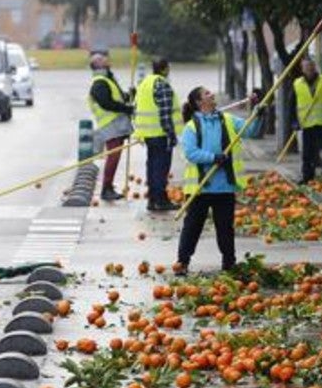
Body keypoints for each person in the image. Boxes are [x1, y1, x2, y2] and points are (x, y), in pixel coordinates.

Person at [176, 87, 260, 274]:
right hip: (200, 187)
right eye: (207, 94)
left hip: (224, 186)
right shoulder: (192, 126)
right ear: (199, 102)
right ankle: (182, 262)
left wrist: (258, 112)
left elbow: (251, 130)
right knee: (192, 228)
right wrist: (213, 157)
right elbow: (191, 153)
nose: (212, 95)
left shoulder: (228, 120)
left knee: (225, 229)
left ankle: (229, 263)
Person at [134, 58, 182, 212]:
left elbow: (136, 108)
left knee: (152, 166)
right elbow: (165, 113)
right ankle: (161, 200)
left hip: (147, 134)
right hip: (161, 134)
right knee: (161, 168)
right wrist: (171, 134)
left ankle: (153, 199)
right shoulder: (162, 84)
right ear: (165, 69)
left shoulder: (144, 83)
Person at [87, 51, 134, 201]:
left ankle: (109, 187)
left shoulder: (108, 79)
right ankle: (106, 189)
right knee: (113, 156)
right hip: (110, 124)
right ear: (96, 64)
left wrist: (129, 95)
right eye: (102, 59)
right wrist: (128, 109)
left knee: (115, 155)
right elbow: (107, 103)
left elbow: (117, 98)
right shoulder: (100, 82)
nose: (106, 59)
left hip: (116, 123)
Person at [292, 57, 322, 183]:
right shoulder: (297, 84)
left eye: (311, 66)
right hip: (307, 124)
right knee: (307, 153)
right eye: (306, 66)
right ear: (302, 69)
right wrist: (294, 122)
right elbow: (291, 105)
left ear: (315, 67)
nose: (309, 68)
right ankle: (307, 176)